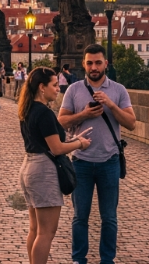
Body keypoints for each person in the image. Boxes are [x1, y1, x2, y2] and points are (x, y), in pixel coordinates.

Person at [58, 44, 136, 264]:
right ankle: (78, 259)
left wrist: (110, 104)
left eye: (98, 62)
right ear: (84, 64)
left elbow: (131, 123)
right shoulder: (74, 90)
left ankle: (107, 260)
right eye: (90, 63)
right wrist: (83, 114)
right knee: (79, 217)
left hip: (109, 162)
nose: (94, 67)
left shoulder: (118, 90)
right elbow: (61, 121)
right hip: (80, 162)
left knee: (109, 218)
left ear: (105, 64)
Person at [18, 67, 92, 264]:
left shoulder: (27, 109)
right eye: (54, 85)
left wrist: (73, 139)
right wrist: (80, 144)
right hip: (43, 171)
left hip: (29, 167)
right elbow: (57, 148)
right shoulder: (44, 112)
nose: (58, 89)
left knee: (35, 229)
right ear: (42, 87)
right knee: (46, 232)